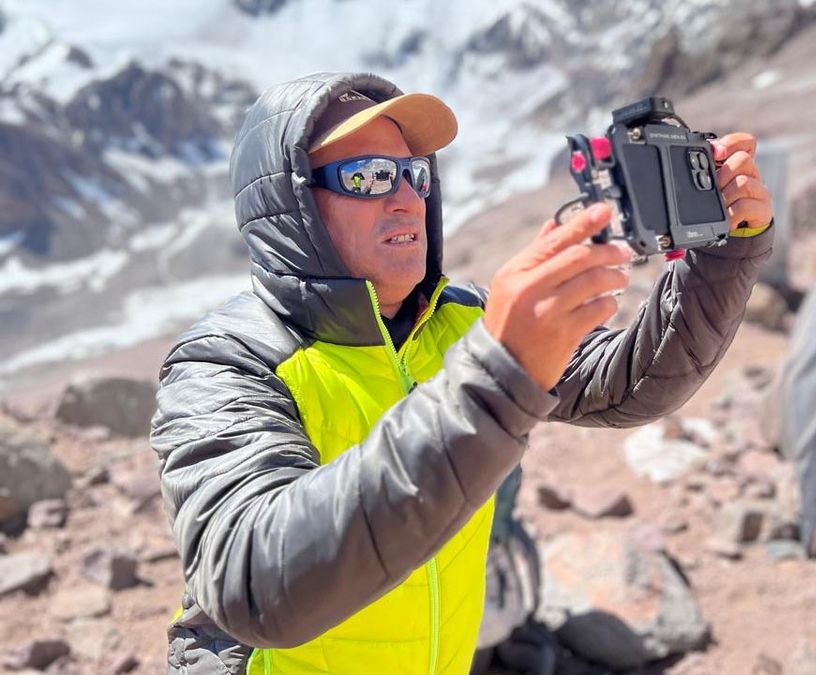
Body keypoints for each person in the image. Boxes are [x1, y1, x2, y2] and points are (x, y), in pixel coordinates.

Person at [150, 73, 774, 674]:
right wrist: (495, 373)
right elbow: (257, 583)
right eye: (366, 176)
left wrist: (725, 254)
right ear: (290, 205)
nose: (404, 198)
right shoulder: (225, 363)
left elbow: (631, 385)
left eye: (413, 174)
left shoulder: (458, 320)